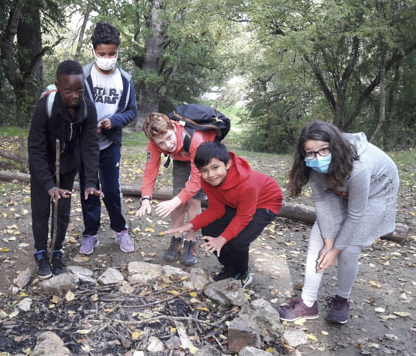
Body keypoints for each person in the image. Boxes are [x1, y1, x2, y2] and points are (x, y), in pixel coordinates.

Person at [277, 120, 399, 325]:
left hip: (376, 194)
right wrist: (328, 241)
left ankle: (342, 300)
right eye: (310, 152)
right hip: (339, 188)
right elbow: (322, 202)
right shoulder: (313, 165)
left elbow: (356, 214)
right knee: (319, 235)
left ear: (334, 147)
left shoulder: (360, 167)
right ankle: (308, 304)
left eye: (324, 150)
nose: (317, 157)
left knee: (350, 248)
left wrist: (335, 250)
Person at [166, 142, 283, 287]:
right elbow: (216, 209)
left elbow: (244, 217)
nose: (210, 175)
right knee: (209, 231)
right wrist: (190, 225)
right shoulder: (208, 181)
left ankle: (243, 274)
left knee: (238, 242)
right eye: (204, 170)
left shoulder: (248, 184)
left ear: (227, 164)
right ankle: (229, 268)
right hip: (236, 202)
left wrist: (222, 239)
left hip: (266, 202)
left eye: (215, 168)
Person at [28, 60, 103, 279]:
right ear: (58, 86)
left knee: (62, 211)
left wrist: (90, 181)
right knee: (41, 211)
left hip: (69, 165)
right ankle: (41, 252)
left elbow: (90, 146)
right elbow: (35, 148)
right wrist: (48, 184)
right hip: (43, 166)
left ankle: (57, 250)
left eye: (79, 89)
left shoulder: (88, 108)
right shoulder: (45, 107)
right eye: (68, 90)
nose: (74, 95)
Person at [78, 22, 137, 255]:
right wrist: (87, 125)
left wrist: (115, 121)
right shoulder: (81, 75)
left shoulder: (124, 79)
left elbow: (132, 110)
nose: (107, 58)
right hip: (86, 145)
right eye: (102, 54)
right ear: (93, 51)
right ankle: (90, 234)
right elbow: (71, 107)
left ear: (118, 51)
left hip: (110, 143)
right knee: (88, 188)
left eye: (112, 53)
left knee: (112, 190)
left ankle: (120, 230)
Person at [136, 112, 219, 266]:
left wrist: (175, 201)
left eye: (168, 138)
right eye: (161, 143)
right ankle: (176, 238)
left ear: (174, 127)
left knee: (193, 201)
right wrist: (146, 199)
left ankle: (191, 241)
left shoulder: (196, 139)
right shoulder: (154, 144)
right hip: (181, 157)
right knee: (178, 200)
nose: (167, 145)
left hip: (201, 155)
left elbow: (195, 181)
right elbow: (150, 171)